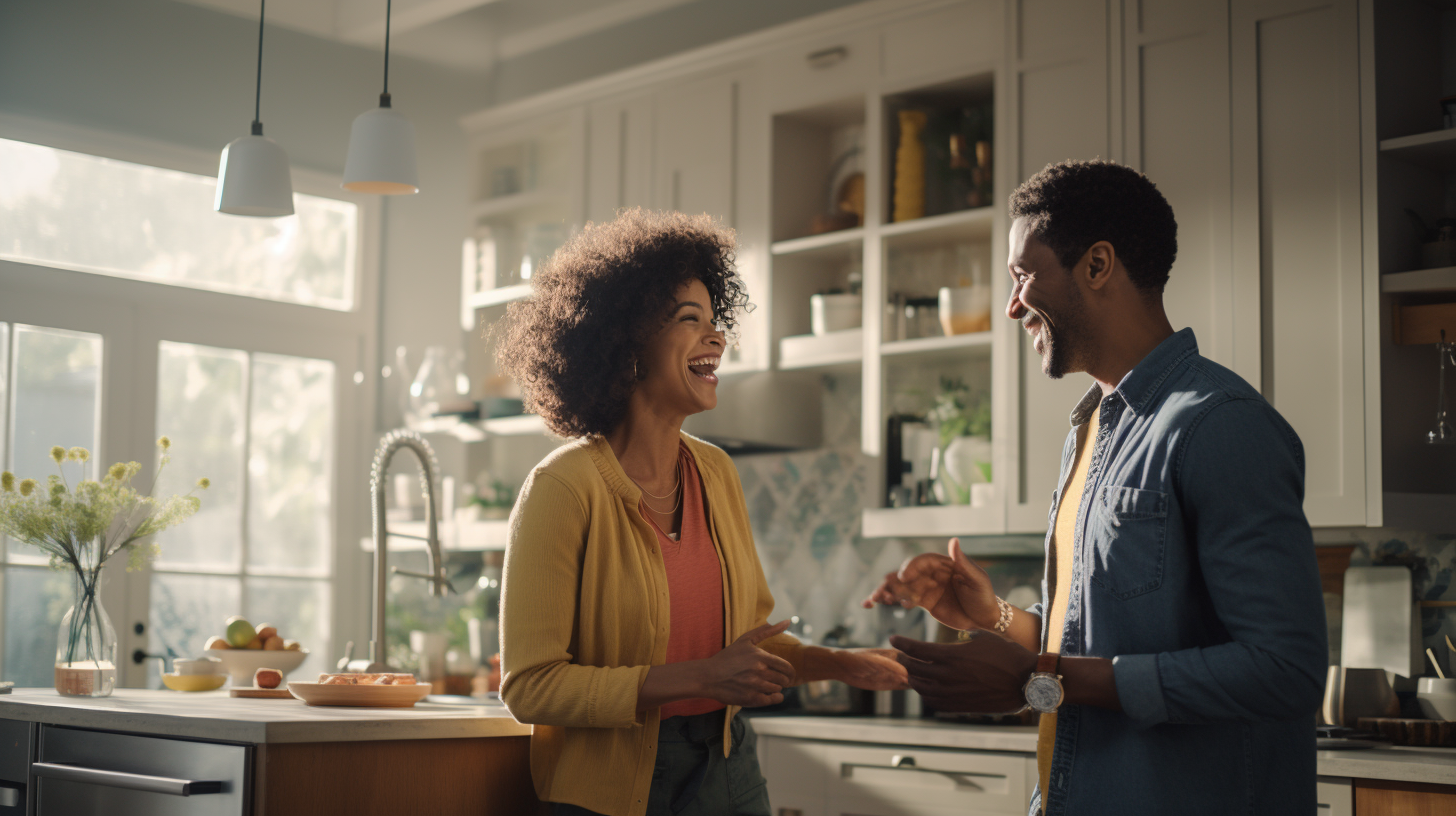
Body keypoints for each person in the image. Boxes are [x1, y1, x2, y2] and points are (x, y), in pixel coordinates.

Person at [866, 161, 1328, 815]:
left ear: (1098, 264)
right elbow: (1105, 645)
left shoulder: (1221, 426)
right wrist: (996, 619)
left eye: (1023, 275)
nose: (1011, 305)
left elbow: (1287, 670)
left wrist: (1037, 680)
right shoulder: (1088, 432)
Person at [497, 208, 908, 816]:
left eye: (716, 323)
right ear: (625, 342)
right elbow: (531, 687)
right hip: (608, 784)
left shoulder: (715, 473)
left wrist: (839, 664)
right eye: (690, 321)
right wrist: (700, 678)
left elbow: (747, 653)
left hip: (726, 767)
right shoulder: (564, 486)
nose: (716, 338)